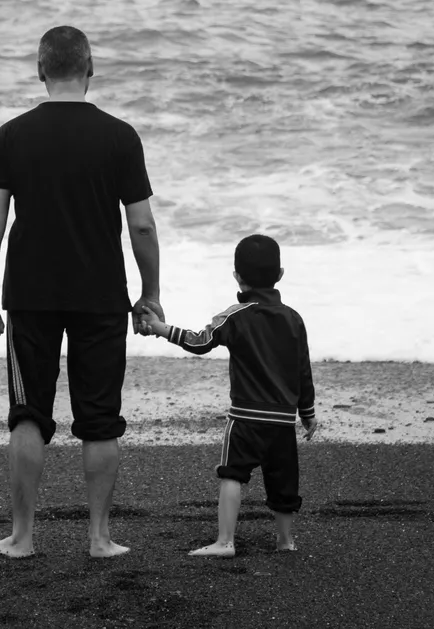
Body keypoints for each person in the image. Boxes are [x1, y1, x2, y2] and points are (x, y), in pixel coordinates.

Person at [0, 25, 162, 559]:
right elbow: (142, 227)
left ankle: (23, 537)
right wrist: (150, 292)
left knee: (28, 412)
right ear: (90, 67)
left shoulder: (12, 134)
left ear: (39, 69)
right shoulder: (120, 136)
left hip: (30, 291)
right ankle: (99, 539)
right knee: (100, 418)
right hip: (101, 292)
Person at [136, 234, 317, 557]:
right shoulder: (294, 319)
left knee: (233, 474)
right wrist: (308, 412)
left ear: (237, 276)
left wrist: (161, 328)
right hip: (282, 420)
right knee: (284, 482)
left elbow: (199, 341)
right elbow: (302, 369)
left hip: (245, 419)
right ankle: (285, 540)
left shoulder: (235, 316)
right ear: (280, 274)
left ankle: (225, 541)